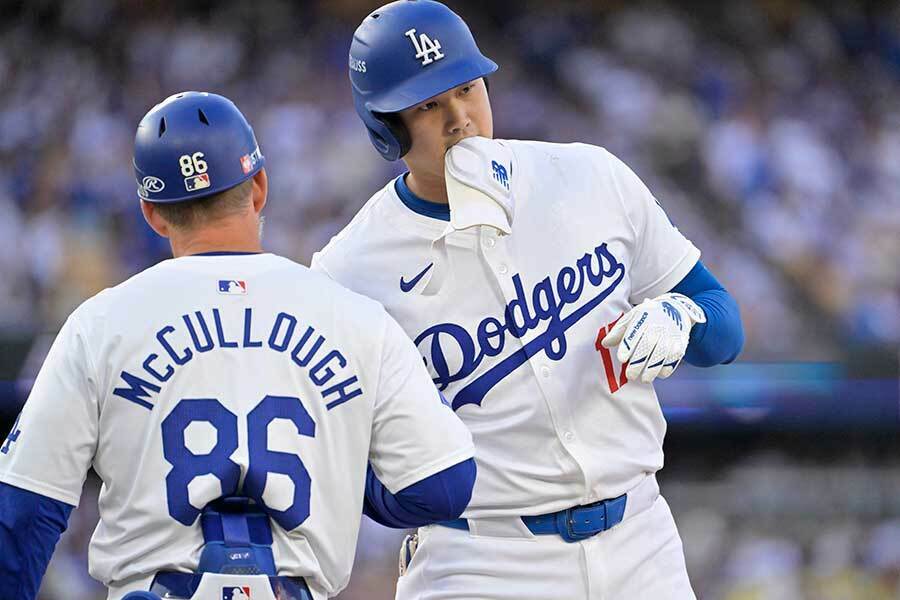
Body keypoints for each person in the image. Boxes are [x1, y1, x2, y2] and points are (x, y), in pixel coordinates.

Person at [311, 1, 744, 598]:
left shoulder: (591, 176)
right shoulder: (349, 270)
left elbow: (726, 326)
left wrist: (684, 316)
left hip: (641, 539)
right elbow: (335, 458)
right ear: (386, 127)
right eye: (428, 105)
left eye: (466, 88)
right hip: (480, 558)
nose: (460, 117)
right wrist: (407, 497)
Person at [0, 91, 476, 600]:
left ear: (153, 214)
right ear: (260, 187)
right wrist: (338, 462)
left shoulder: (98, 324)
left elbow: (23, 513)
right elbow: (442, 485)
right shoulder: (356, 318)